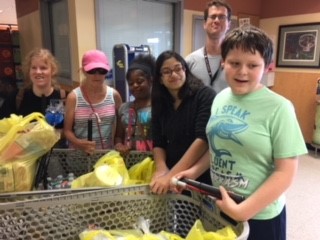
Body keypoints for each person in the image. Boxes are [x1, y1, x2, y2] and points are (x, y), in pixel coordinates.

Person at [174, 26, 308, 240]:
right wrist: (194, 171)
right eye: (235, 63)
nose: (242, 71)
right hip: (221, 204)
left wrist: (242, 211)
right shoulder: (221, 98)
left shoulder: (279, 108)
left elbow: (286, 173)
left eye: (253, 65)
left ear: (266, 67)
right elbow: (219, 147)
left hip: (260, 214)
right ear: (223, 62)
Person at [150, 50, 216, 194]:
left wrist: (170, 175)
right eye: (166, 71)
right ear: (160, 78)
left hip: (200, 175)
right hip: (172, 175)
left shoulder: (205, 95)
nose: (173, 74)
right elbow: (158, 141)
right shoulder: (159, 101)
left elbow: (202, 140)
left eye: (178, 68)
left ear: (185, 69)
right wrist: (162, 169)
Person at [64, 49, 122, 154]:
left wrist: (118, 143)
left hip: (106, 158)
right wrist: (79, 143)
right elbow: (67, 131)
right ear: (83, 71)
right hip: (78, 158)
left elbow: (120, 128)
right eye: (92, 71)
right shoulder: (74, 97)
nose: (97, 75)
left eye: (101, 71)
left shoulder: (114, 95)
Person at [185, 0, 232, 93]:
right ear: (204, 24)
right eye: (213, 16)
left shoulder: (237, 61)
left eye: (222, 17)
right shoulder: (190, 61)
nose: (217, 20)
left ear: (229, 24)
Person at [114, 54, 156, 156]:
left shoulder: (159, 107)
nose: (135, 86)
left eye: (140, 81)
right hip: (130, 161)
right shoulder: (124, 108)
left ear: (150, 81)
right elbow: (118, 136)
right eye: (131, 83)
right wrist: (119, 145)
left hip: (153, 161)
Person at [17, 48, 67, 118]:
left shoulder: (65, 98)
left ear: (52, 70)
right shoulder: (17, 98)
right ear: (29, 71)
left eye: (43, 68)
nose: (38, 72)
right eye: (34, 68)